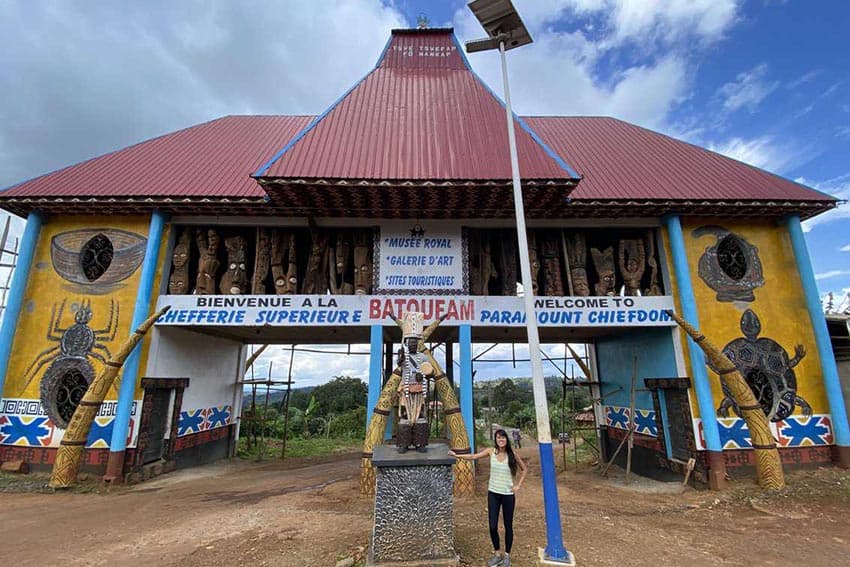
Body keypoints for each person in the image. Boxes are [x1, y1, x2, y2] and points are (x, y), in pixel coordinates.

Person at [449, 429, 527, 567]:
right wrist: (457, 455)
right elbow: (474, 457)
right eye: (498, 438)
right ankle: (497, 554)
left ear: (506, 440)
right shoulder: (491, 451)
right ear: (495, 440)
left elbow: (524, 469)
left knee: (508, 526)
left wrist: (518, 486)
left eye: (503, 438)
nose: (501, 440)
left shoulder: (512, 454)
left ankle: (507, 556)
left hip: (508, 495)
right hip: (493, 494)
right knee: (492, 526)